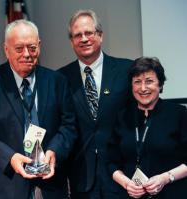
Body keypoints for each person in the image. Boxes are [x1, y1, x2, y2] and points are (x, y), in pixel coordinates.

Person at [0, 19, 77, 199]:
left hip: (51, 184)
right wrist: (10, 157)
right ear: (6, 49)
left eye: (32, 47)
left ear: (39, 46)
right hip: (7, 185)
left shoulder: (57, 80)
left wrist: (54, 151)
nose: (27, 54)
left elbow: (69, 125)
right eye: (19, 48)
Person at [58, 9, 133, 199]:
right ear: (71, 41)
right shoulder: (60, 78)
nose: (84, 39)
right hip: (81, 178)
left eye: (88, 33)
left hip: (123, 175)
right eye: (77, 35)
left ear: (100, 35)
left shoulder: (126, 71)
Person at [107, 57, 187, 198]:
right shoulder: (122, 117)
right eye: (137, 82)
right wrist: (126, 183)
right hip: (130, 195)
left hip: (172, 193)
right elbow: (110, 162)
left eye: (149, 81)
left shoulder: (179, 114)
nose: (143, 88)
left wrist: (166, 178)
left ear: (160, 85)